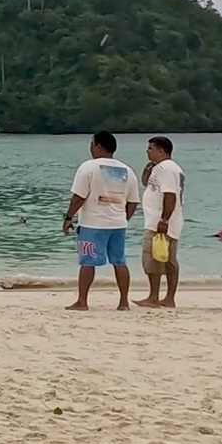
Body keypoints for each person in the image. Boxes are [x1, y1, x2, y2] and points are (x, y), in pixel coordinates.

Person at [62, 131, 139, 311]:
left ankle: (82, 301)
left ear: (98, 146)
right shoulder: (127, 170)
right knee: (119, 262)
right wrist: (123, 217)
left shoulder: (88, 167)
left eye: (91, 144)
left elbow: (79, 196)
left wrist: (69, 217)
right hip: (118, 225)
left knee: (87, 262)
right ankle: (123, 302)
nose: (90, 148)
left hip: (93, 224)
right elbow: (133, 201)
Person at [136, 136, 186, 309]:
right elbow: (148, 184)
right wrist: (147, 170)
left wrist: (164, 219)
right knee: (166, 258)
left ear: (161, 151)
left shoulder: (166, 168)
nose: (147, 151)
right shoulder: (165, 168)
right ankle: (167, 298)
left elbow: (170, 195)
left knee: (154, 258)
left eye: (150, 148)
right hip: (165, 220)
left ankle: (154, 296)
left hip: (160, 220)